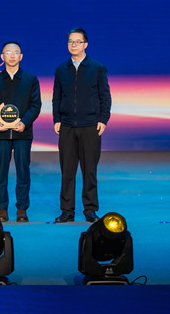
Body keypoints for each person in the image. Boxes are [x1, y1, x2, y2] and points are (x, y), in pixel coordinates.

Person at [52, 28, 111, 223]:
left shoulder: (97, 68)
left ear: (86, 44)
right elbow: (56, 97)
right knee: (67, 172)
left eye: (77, 41)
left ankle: (90, 210)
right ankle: (67, 211)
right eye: (70, 41)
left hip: (90, 126)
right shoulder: (61, 69)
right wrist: (57, 119)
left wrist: (103, 119)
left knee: (89, 171)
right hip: (67, 127)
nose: (73, 45)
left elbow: (105, 96)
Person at [0, 41, 41, 222]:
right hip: (1, 134)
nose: (12, 55)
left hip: (23, 133)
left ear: (21, 56)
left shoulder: (30, 79)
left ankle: (21, 209)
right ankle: (2, 209)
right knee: (0, 172)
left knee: (23, 171)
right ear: (2, 57)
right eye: (8, 52)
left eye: (15, 52)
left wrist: (24, 122)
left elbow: (35, 105)